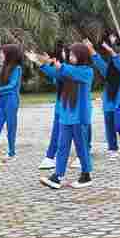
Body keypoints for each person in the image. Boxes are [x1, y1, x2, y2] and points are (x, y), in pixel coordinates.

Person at [26, 43, 94, 189]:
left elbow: (70, 72)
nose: (70, 57)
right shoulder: (67, 70)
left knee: (81, 147)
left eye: (73, 55)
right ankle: (57, 176)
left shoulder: (87, 71)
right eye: (70, 55)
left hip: (80, 116)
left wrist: (60, 66)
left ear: (82, 56)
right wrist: (39, 62)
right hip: (67, 115)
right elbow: (54, 73)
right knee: (62, 146)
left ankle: (86, 175)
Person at [92, 40, 120, 158]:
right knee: (109, 125)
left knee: (119, 125)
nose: (118, 58)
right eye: (117, 56)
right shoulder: (108, 69)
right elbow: (98, 60)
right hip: (108, 100)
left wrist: (112, 51)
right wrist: (90, 48)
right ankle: (113, 149)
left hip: (119, 101)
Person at [39, 40, 69, 170]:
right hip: (61, 103)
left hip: (73, 106)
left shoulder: (74, 71)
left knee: (78, 134)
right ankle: (50, 157)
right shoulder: (61, 69)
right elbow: (56, 75)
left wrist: (43, 64)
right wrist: (47, 63)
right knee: (57, 130)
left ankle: (83, 157)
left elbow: (58, 73)